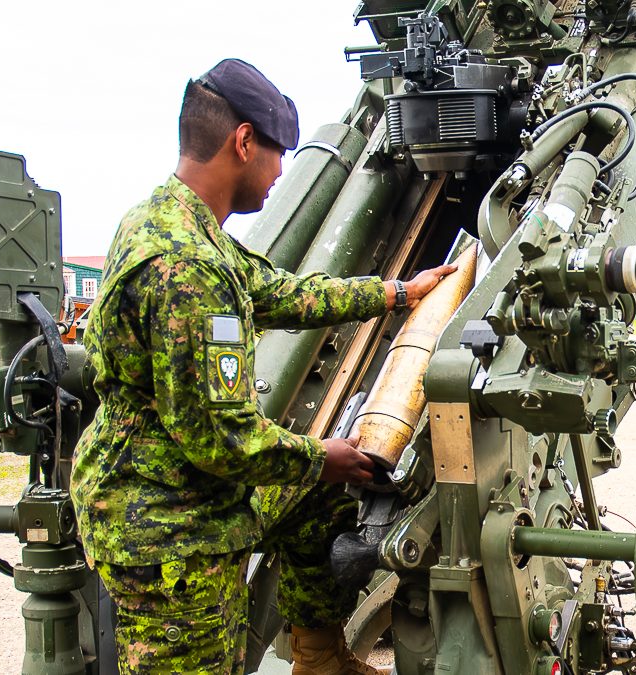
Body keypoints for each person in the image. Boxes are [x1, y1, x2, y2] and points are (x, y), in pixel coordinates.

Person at [71, 58, 456, 674]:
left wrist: (397, 294)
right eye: (278, 154)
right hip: (169, 527)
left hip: (182, 488)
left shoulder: (169, 222)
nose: (282, 172)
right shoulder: (188, 270)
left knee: (316, 504)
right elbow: (224, 442)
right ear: (243, 142)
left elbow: (278, 292)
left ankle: (319, 657)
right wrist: (323, 458)